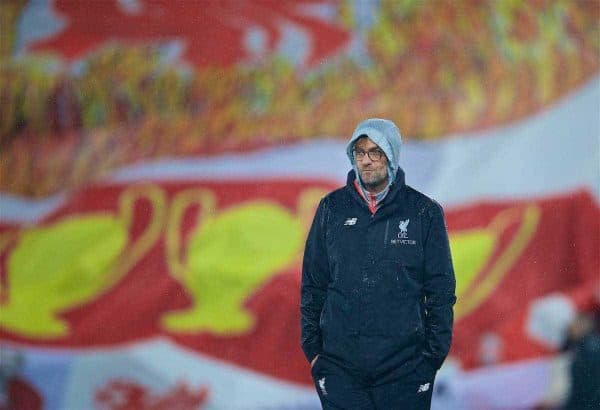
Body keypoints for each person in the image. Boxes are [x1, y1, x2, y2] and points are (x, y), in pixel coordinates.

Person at [300, 118, 456, 409]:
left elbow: (441, 290)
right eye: (360, 153)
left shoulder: (424, 212)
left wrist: (433, 355)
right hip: (340, 369)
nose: (367, 161)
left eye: (376, 152)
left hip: (406, 370)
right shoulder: (331, 209)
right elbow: (313, 285)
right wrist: (314, 351)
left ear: (392, 156)